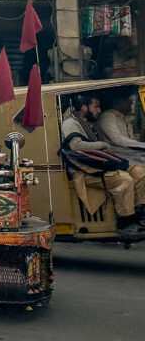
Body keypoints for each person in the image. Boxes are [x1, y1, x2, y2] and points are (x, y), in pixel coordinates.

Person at [60, 94, 145, 235]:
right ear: (84, 107)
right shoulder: (71, 123)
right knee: (124, 179)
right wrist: (102, 145)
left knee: (139, 172)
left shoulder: (86, 121)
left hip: (97, 166)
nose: (99, 110)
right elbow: (76, 146)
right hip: (85, 171)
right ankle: (125, 220)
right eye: (96, 107)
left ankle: (138, 211)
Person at [98, 93, 145, 165]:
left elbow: (130, 139)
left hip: (129, 152)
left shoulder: (125, 117)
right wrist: (142, 145)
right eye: (127, 100)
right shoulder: (108, 116)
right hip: (117, 155)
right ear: (118, 103)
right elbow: (119, 140)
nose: (131, 102)